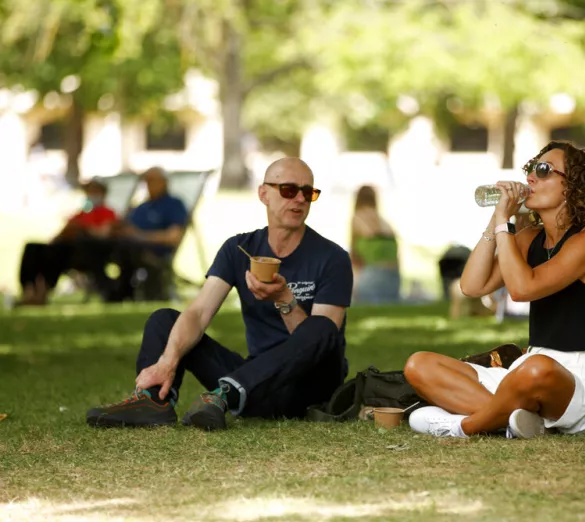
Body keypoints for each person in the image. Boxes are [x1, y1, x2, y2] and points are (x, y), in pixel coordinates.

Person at [86, 157, 354, 430]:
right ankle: (153, 401)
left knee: (322, 326)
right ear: (264, 193)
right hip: (255, 389)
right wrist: (167, 361)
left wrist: (284, 299)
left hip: (309, 389)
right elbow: (199, 313)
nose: (299, 199)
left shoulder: (332, 258)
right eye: (288, 190)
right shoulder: (239, 249)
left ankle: (226, 393)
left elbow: (320, 344)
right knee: (165, 320)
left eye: (308, 192)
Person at [403, 140, 585, 439]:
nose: (530, 177)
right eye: (530, 168)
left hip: (581, 382)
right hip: (525, 370)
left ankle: (464, 426)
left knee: (537, 369)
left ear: (571, 186)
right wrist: (496, 219)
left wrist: (506, 223)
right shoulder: (529, 238)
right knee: (420, 365)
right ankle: (519, 421)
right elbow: (472, 286)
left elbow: (521, 289)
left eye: (543, 170)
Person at [78, 167, 189, 302]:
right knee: (90, 246)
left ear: (164, 182)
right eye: (146, 181)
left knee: (125, 249)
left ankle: (120, 292)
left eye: (152, 180)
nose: (148, 184)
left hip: (150, 250)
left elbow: (173, 237)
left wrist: (140, 236)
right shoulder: (142, 206)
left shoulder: (174, 204)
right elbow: (126, 225)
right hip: (125, 243)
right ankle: (107, 288)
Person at [16, 179, 118, 306]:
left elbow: (102, 234)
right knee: (32, 248)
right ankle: (29, 289)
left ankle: (42, 291)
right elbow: (62, 233)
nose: (91, 194)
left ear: (103, 193)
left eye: (95, 191)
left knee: (57, 251)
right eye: (89, 191)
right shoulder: (82, 213)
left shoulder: (108, 213)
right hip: (64, 246)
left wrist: (82, 227)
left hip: (85, 252)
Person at [349, 185, 401, 304]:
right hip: (394, 279)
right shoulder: (385, 222)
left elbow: (354, 255)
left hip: (371, 279)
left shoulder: (357, 218)